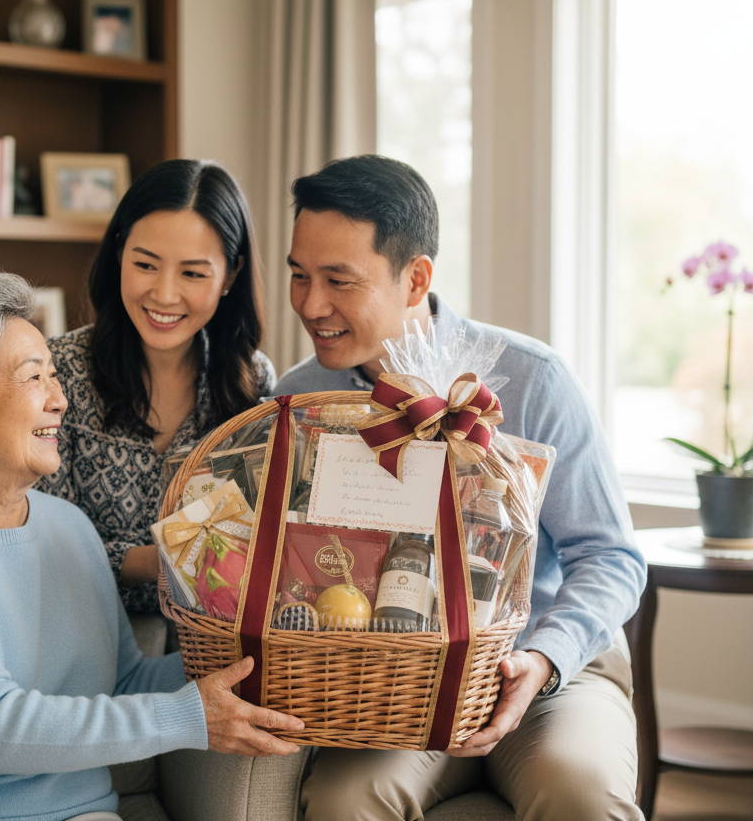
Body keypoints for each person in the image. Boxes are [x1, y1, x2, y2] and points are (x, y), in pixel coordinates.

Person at [0, 271, 302, 821]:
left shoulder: (69, 527)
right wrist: (187, 717)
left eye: (54, 375)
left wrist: (262, 653)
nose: (60, 400)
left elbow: (123, 683)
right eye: (33, 378)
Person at [274, 155, 647, 820]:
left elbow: (611, 557)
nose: (309, 305)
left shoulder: (533, 380)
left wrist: (546, 657)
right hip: (391, 687)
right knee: (342, 802)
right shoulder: (300, 399)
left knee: (580, 790)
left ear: (416, 278)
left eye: (338, 280)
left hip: (546, 671)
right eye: (299, 275)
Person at [36, 159, 274, 614]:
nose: (164, 294)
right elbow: (41, 543)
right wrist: (162, 560)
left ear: (231, 275)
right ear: (119, 253)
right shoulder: (57, 372)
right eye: (145, 264)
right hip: (83, 626)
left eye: (193, 273)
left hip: (209, 636)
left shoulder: (254, 382)